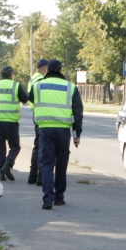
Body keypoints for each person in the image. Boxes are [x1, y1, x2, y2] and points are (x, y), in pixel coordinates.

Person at [30, 59, 83, 209]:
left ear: (47, 70)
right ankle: (59, 197)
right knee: (61, 164)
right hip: (63, 131)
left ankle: (48, 198)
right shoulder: (70, 87)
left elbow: (30, 99)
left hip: (45, 129)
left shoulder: (37, 86)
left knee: (46, 163)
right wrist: (76, 134)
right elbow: (78, 113)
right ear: (60, 70)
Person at [27, 59, 49, 185]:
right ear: (45, 67)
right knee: (42, 146)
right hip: (41, 113)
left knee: (37, 145)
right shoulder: (40, 79)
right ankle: (40, 175)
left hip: (36, 112)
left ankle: (32, 174)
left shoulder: (33, 78)